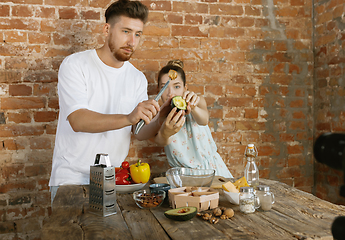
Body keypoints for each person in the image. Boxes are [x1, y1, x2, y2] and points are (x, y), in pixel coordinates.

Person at [49, 0, 167, 203]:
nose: (132, 41)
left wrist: (162, 118)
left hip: (114, 181)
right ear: (107, 29)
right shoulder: (75, 65)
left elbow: (138, 132)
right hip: (72, 180)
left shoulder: (137, 78)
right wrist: (129, 116)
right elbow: (78, 120)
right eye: (126, 31)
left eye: (137, 34)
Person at [154, 60, 233, 178]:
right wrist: (164, 129)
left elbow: (204, 120)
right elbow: (160, 140)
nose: (171, 93)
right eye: (165, 87)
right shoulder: (159, 117)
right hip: (182, 176)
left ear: (185, 88)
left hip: (211, 171)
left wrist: (193, 107)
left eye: (177, 86)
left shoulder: (198, 101)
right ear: (158, 91)